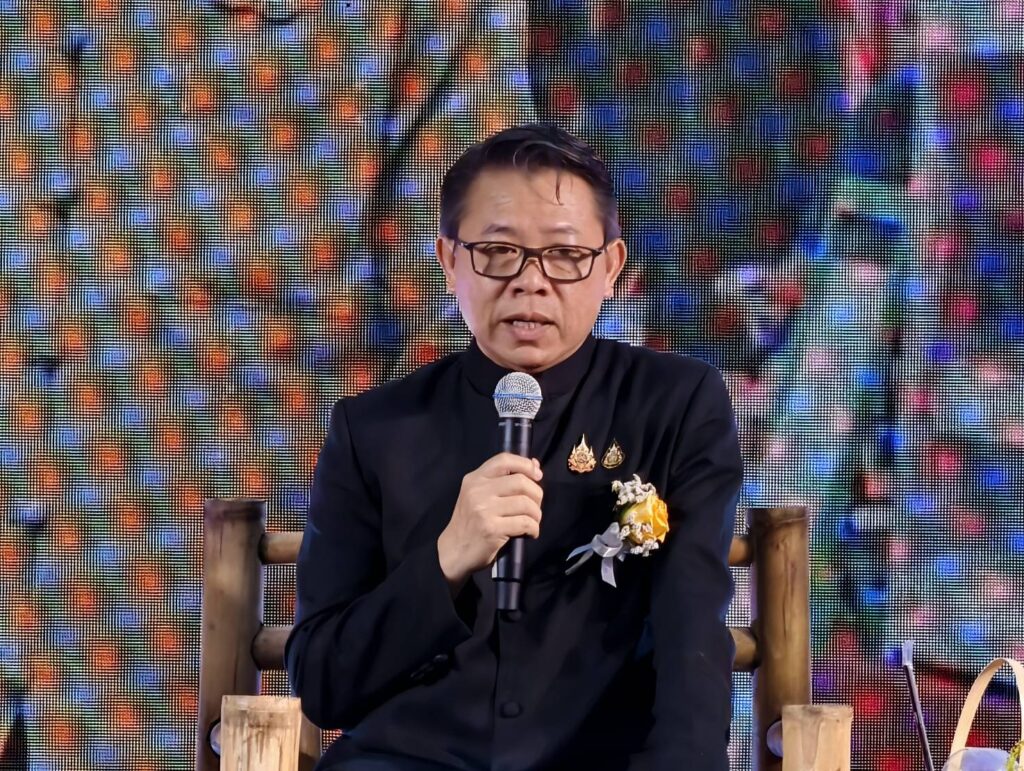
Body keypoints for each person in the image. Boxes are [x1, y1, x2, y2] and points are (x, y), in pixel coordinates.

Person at [285, 122, 744, 770]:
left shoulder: (675, 403)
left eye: (565, 254)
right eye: (499, 252)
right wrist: (447, 559)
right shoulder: (374, 428)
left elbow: (690, 637)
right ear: (450, 261)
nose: (531, 282)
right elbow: (323, 681)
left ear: (611, 266)